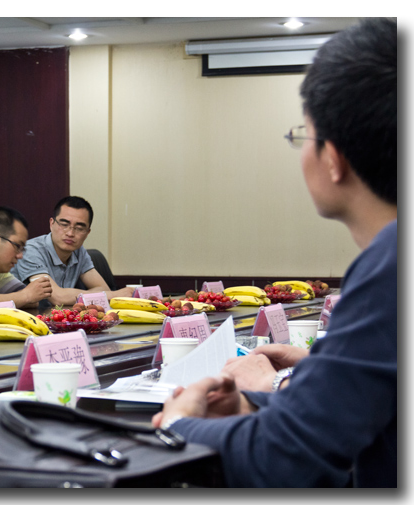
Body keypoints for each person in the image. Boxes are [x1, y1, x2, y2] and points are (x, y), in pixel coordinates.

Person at [151, 18, 396, 487]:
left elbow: (284, 458)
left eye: (304, 136)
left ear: (334, 158)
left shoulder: (390, 266)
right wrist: (287, 387)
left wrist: (180, 425)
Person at [10, 196, 135, 306]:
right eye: (64, 224)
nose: (70, 233)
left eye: (79, 228)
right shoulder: (30, 250)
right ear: (51, 224)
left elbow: (103, 288)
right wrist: (113, 295)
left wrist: (73, 296)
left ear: (87, 233)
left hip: (60, 318)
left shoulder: (78, 251)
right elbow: (57, 297)